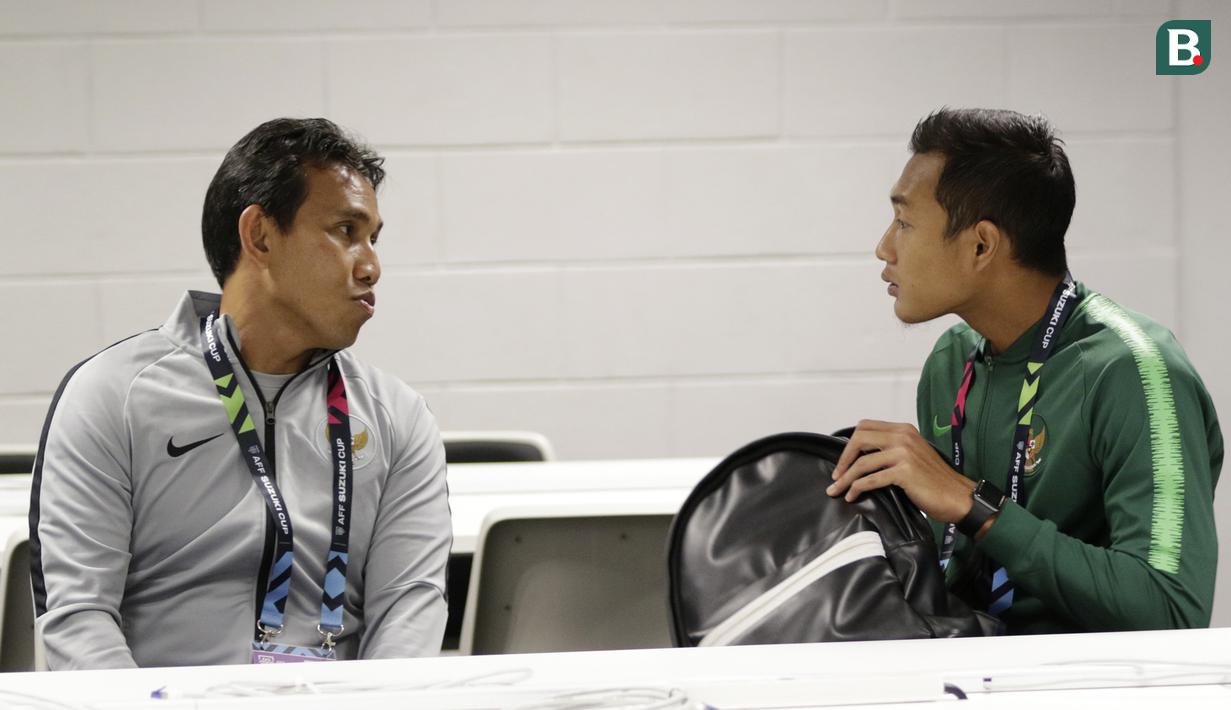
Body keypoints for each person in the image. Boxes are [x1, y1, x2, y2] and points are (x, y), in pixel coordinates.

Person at [30, 118, 451, 668]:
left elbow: (409, 610)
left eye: (373, 239)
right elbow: (79, 617)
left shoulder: (398, 417)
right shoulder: (112, 395)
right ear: (260, 236)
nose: (371, 266)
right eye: (346, 231)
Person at [827, 108, 1221, 633]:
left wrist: (976, 507)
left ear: (982, 245)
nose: (884, 247)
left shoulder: (1136, 370)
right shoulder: (952, 362)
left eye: (904, 222)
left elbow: (1171, 609)